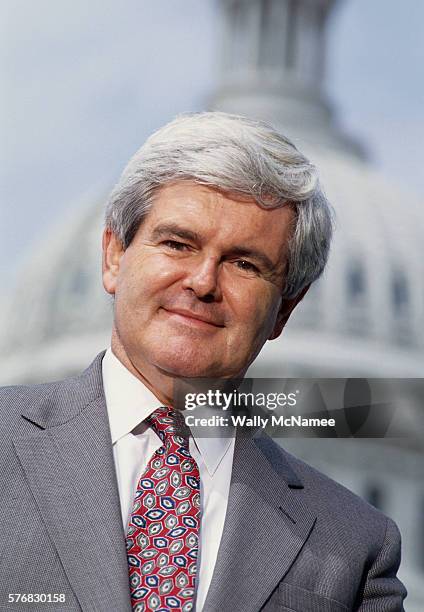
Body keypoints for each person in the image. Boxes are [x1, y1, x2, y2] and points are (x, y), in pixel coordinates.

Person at [0, 112, 406, 611]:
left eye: (244, 263)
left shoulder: (354, 547)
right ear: (113, 257)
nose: (203, 282)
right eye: (177, 243)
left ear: (285, 310)